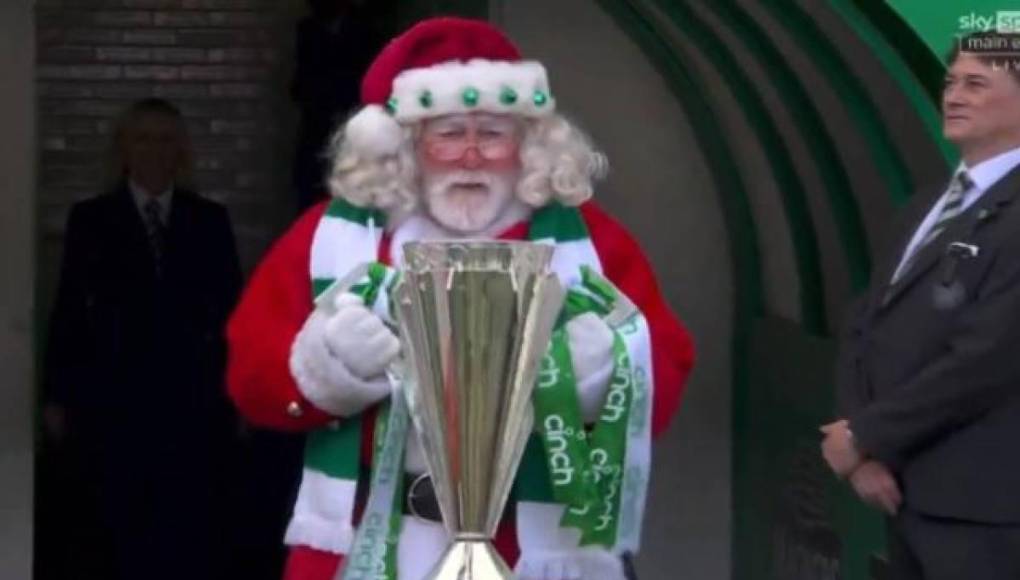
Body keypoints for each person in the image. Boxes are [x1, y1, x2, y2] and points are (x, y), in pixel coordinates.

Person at [227, 17, 695, 580]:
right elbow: (250, 379)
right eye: (449, 134)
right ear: (406, 146)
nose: (471, 156)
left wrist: (602, 373)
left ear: (527, 145)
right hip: (374, 547)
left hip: (535, 552)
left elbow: (664, 372)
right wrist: (329, 367)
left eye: (492, 133)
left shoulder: (592, 244)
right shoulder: (332, 239)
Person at [822, 33, 1020, 580]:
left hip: (985, 510)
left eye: (976, 84)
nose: (953, 96)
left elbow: (986, 359)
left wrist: (865, 437)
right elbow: (865, 324)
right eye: (951, 83)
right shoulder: (926, 204)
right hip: (901, 495)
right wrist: (860, 449)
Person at [42, 98, 242, 580]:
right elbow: (69, 312)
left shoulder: (208, 220)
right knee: (115, 530)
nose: (155, 150)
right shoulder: (92, 219)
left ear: (180, 151)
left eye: (165, 140)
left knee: (185, 532)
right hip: (114, 401)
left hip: (190, 401)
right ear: (125, 149)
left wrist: (237, 395)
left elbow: (232, 315)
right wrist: (56, 395)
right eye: (143, 139)